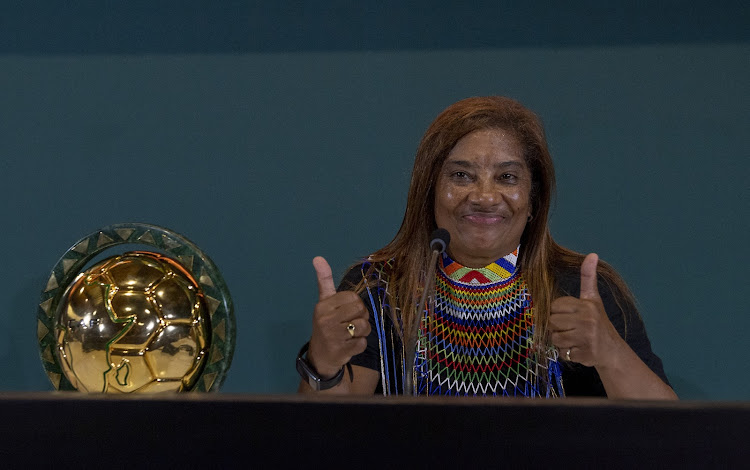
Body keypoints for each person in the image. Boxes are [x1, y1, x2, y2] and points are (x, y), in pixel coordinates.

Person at [297, 96, 677, 399]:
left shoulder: (581, 291)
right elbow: (324, 443)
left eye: (507, 177)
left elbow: (670, 438)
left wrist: (610, 351)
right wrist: (323, 364)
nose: (483, 197)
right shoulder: (378, 289)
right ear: (430, 190)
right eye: (461, 175)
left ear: (533, 198)